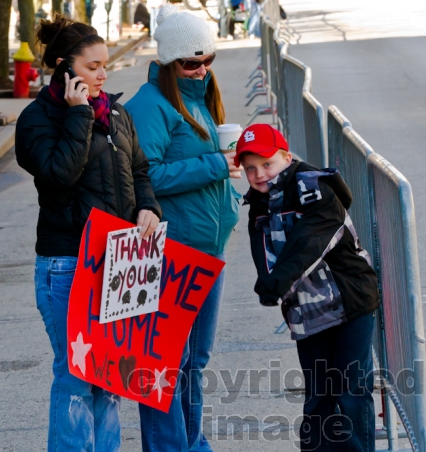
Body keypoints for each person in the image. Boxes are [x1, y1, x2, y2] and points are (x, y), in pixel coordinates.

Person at [15, 14, 162, 452]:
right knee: (77, 375)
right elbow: (59, 176)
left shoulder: (116, 112)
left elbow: (138, 170)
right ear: (64, 67)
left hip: (117, 263)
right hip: (68, 265)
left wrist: (149, 208)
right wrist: (79, 115)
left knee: (110, 377)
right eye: (93, 66)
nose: (103, 74)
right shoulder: (37, 120)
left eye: (105, 66)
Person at [125, 5, 241, 452]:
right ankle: (171, 447)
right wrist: (214, 164)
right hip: (173, 251)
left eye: (208, 60)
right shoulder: (149, 106)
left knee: (195, 361)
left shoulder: (199, 96)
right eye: (191, 63)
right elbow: (146, 175)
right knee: (166, 362)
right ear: (170, 62)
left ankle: (193, 444)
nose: (201, 70)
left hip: (207, 252)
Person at [236, 124, 379, 452]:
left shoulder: (313, 186)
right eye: (250, 168)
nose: (259, 174)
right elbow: (264, 253)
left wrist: (276, 282)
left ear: (287, 157)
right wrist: (269, 282)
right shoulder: (258, 201)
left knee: (351, 392)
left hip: (350, 300)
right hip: (307, 310)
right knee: (319, 396)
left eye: (267, 164)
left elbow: (311, 239)